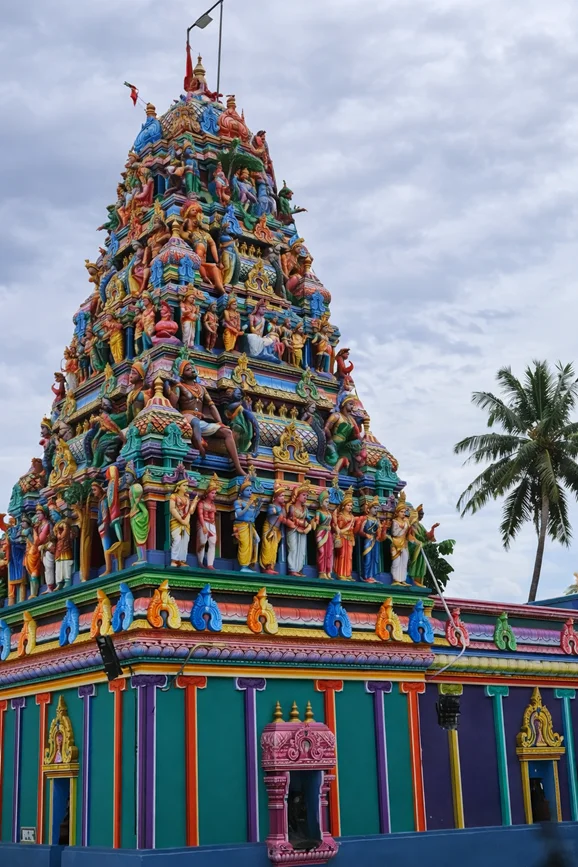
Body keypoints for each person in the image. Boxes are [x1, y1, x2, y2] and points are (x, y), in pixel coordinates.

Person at [168, 360, 246, 477]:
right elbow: (172, 404)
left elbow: (212, 406)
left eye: (192, 368)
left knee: (227, 432)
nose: (192, 370)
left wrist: (219, 422)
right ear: (182, 374)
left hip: (200, 421)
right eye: (188, 369)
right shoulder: (180, 387)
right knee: (195, 422)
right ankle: (199, 445)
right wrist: (172, 386)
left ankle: (238, 467)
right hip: (186, 417)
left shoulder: (201, 388)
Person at [169, 480, 199, 567]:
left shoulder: (187, 498)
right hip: (176, 521)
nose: (186, 487)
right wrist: (181, 520)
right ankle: (174, 559)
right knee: (177, 539)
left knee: (185, 540)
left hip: (186, 522)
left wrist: (194, 503)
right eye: (184, 485)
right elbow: (172, 509)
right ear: (178, 487)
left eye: (187, 486)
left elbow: (191, 511)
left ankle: (182, 560)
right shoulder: (174, 496)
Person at [197, 474, 219, 569]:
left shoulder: (213, 505)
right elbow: (200, 515)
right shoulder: (201, 503)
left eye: (215, 493)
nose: (214, 495)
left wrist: (213, 529)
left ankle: (210, 564)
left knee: (212, 542)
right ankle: (200, 561)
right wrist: (204, 526)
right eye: (212, 493)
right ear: (207, 493)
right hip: (203, 523)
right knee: (202, 542)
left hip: (211, 524)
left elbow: (213, 517)